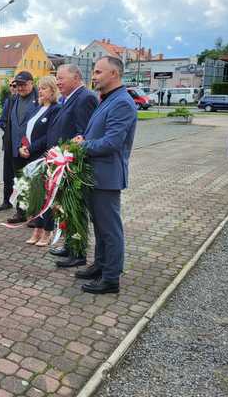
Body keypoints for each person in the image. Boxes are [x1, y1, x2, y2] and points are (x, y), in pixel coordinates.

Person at [73, 56, 137, 294]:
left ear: (114, 74)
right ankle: (100, 265)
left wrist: (81, 147)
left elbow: (112, 142)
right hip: (96, 173)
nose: (94, 76)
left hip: (106, 176)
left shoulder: (122, 102)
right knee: (99, 225)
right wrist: (84, 139)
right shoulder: (108, 99)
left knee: (110, 228)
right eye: (95, 72)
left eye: (99, 72)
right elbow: (99, 134)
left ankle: (111, 278)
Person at [46, 64, 99, 267]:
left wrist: (69, 158)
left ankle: (78, 254)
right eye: (56, 78)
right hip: (62, 164)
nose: (58, 82)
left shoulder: (85, 98)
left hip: (73, 166)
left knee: (76, 210)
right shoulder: (68, 98)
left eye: (61, 78)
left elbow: (84, 134)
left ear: (76, 77)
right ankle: (70, 246)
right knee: (66, 209)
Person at [18, 76, 61, 246]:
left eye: (44, 88)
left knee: (46, 196)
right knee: (35, 195)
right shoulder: (37, 109)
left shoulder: (56, 109)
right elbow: (27, 130)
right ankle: (36, 229)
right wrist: (22, 146)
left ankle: (47, 232)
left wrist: (31, 148)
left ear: (52, 90)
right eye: (40, 88)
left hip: (44, 157)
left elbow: (48, 136)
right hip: (31, 156)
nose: (40, 91)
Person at [4, 71, 39, 224]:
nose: (21, 87)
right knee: (19, 181)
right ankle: (21, 212)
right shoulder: (13, 99)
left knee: (34, 183)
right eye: (18, 85)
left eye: (24, 84)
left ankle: (35, 214)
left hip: (32, 151)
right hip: (15, 149)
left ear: (32, 83)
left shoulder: (39, 100)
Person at [0, 78, 20, 212]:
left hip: (21, 145)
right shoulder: (9, 100)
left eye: (15, 85)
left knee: (20, 175)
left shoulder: (26, 101)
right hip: (8, 143)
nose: (13, 87)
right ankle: (6, 201)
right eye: (11, 85)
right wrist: (8, 129)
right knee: (7, 174)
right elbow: (2, 120)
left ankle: (22, 205)